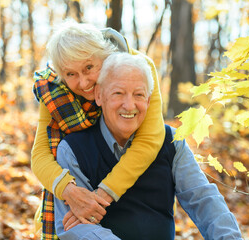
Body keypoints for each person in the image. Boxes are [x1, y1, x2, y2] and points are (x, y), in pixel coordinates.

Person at [54, 52, 243, 240]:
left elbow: (203, 200)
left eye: (138, 94)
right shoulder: (73, 150)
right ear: (99, 95)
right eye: (118, 93)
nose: (129, 105)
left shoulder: (170, 141)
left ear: (148, 100)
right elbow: (76, 231)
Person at [31, 20, 165, 238]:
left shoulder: (138, 69)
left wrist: (97, 198)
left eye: (89, 68)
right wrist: (71, 193)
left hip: (135, 201)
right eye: (71, 74)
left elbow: (149, 140)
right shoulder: (54, 90)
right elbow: (40, 156)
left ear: (105, 55)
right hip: (69, 213)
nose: (84, 83)